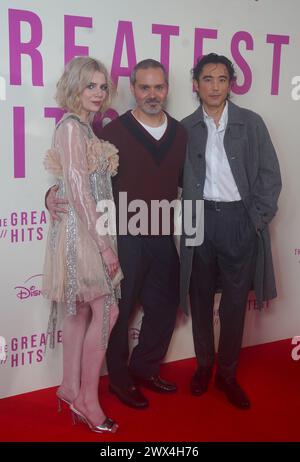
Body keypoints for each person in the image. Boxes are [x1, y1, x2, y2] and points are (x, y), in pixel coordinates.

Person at [47, 59, 187, 409]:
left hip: (161, 230)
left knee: (165, 304)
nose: (152, 94)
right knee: (119, 311)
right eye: (144, 87)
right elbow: (80, 180)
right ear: (133, 90)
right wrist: (49, 196)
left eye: (158, 87)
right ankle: (120, 383)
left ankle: (144, 369)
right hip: (121, 234)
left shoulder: (182, 133)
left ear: (167, 88)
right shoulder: (112, 132)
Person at [180, 53, 281, 409]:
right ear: (196, 84)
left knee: (236, 303)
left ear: (230, 84)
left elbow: (271, 175)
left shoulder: (251, 123)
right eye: (208, 79)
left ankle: (227, 374)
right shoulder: (185, 128)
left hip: (240, 220)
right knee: (201, 298)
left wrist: (256, 217)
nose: (215, 86)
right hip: (200, 219)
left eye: (222, 79)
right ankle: (204, 367)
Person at [42, 56, 122, 432]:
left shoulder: (83, 129)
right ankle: (88, 400)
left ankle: (70, 387)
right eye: (90, 85)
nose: (98, 92)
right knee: (108, 310)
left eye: (102, 86)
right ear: (74, 86)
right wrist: (104, 245)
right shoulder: (73, 127)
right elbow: (77, 189)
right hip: (83, 234)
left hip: (83, 228)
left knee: (78, 314)